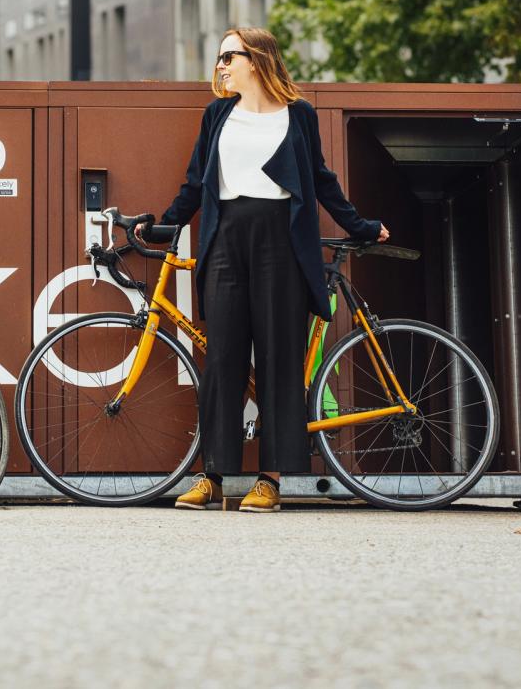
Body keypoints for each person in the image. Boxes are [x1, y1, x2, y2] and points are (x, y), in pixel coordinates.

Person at [153, 27, 388, 513]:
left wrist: (359, 225)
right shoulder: (217, 114)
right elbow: (197, 182)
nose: (219, 65)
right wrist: (167, 224)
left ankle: (271, 479)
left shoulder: (298, 115)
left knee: (280, 360)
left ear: (256, 59)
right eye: (218, 57)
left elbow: (321, 179)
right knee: (223, 360)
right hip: (225, 240)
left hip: (281, 241)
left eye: (227, 56)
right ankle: (213, 474)